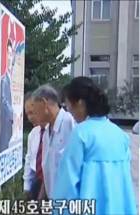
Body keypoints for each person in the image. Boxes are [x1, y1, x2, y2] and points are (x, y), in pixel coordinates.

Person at [53, 77, 137, 214]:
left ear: (79, 103)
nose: (69, 112)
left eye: (68, 106)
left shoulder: (81, 135)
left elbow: (66, 187)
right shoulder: (120, 135)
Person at [31, 84, 75, 199]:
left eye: (35, 110)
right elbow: (48, 171)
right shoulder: (46, 133)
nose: (33, 115)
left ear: (44, 104)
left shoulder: (70, 123)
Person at [23, 92, 47, 200]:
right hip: (36, 185)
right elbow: (29, 160)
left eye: (32, 112)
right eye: (27, 114)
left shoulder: (59, 132)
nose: (30, 117)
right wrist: (27, 187)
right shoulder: (33, 134)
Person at [0, 39, 15, 153]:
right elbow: (4, 101)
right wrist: (12, 114)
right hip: (5, 123)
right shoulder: (4, 80)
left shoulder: (9, 79)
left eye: (11, 54)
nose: (10, 58)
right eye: (8, 54)